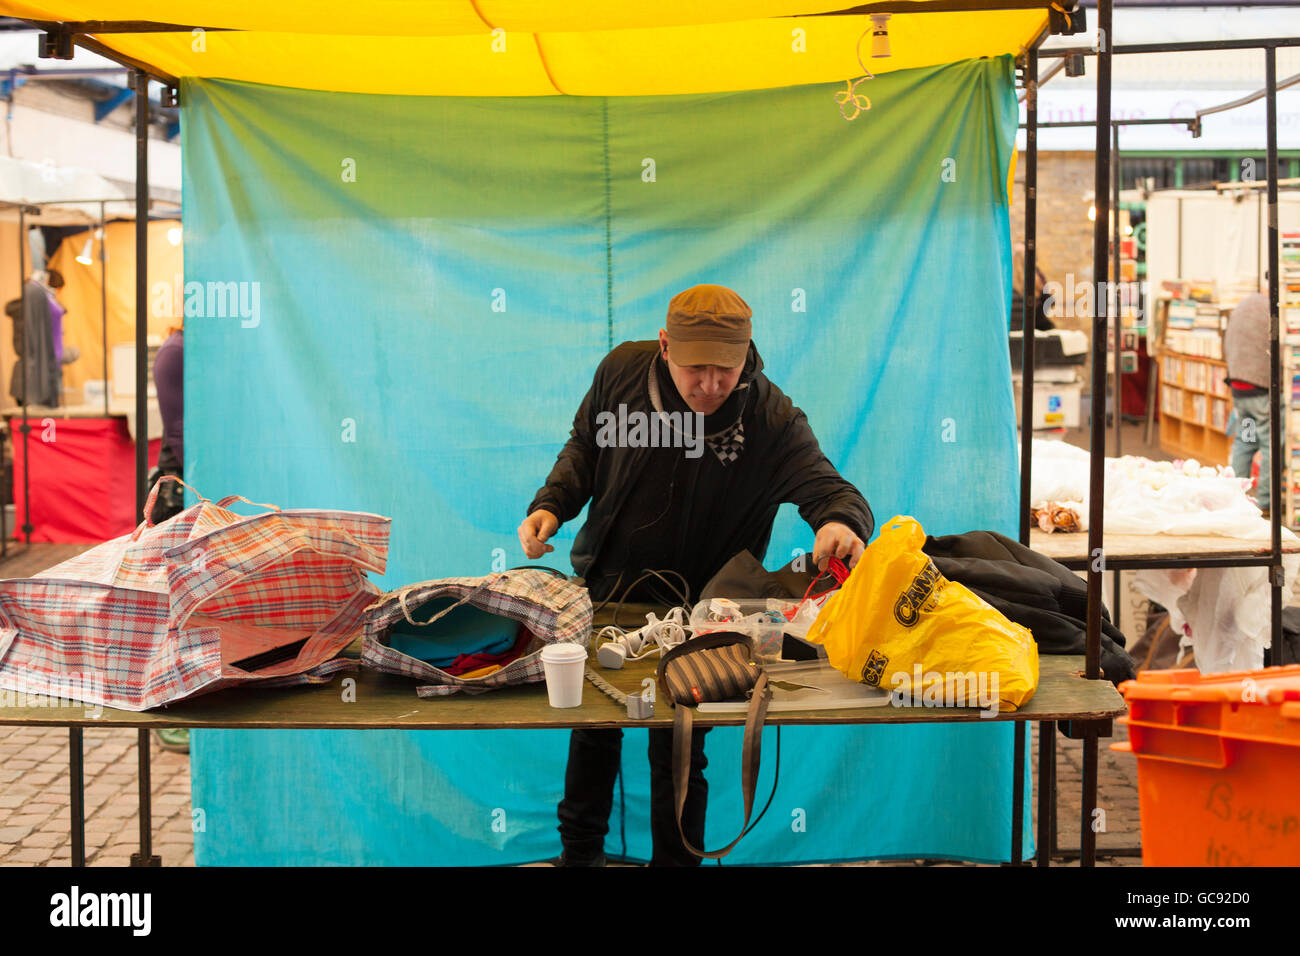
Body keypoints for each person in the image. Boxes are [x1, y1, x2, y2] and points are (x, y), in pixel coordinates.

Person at [518, 283, 874, 866]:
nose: (710, 385)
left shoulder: (768, 416)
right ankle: (578, 858)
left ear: (747, 356)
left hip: (703, 613)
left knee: (681, 745)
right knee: (593, 729)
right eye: (696, 370)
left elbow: (829, 487)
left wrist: (840, 521)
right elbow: (585, 445)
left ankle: (678, 864)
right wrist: (551, 504)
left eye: (725, 370)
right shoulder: (621, 374)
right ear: (664, 347)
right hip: (611, 594)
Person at [150, 322, 189, 754]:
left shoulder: (184, 349)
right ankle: (166, 713)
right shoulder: (176, 351)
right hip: (178, 490)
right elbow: (177, 431)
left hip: (185, 486)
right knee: (169, 607)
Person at [1224, 293, 1272, 515]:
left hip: (1240, 388)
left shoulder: (1243, 305)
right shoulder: (1271, 309)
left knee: (1246, 439)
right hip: (1261, 389)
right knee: (1270, 444)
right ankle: (1265, 500)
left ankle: (1237, 496)